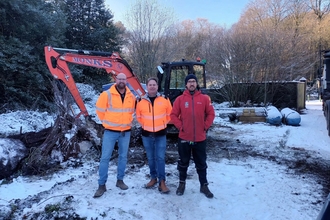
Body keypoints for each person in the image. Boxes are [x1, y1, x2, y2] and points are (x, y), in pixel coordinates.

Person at [170, 74, 215, 198]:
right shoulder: (180, 99)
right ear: (186, 84)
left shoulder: (205, 99)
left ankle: (204, 185)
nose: (191, 83)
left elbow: (211, 114)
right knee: (183, 162)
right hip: (184, 137)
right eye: (189, 81)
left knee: (201, 163)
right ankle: (182, 183)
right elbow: (173, 115)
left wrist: (205, 126)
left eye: (193, 81)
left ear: (196, 83)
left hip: (200, 138)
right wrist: (181, 126)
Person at [93, 73, 136, 198]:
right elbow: (99, 111)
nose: (122, 80)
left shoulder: (131, 96)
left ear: (126, 80)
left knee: (123, 157)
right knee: (105, 158)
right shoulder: (106, 94)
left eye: (124, 79)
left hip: (125, 132)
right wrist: (107, 122)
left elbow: (132, 111)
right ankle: (101, 185)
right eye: (119, 78)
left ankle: (120, 180)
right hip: (110, 132)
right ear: (115, 80)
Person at [136, 77, 172, 193]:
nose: (152, 86)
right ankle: (153, 178)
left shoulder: (165, 99)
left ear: (157, 86)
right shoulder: (140, 101)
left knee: (160, 158)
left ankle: (162, 181)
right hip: (147, 135)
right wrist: (147, 126)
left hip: (160, 134)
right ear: (147, 87)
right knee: (151, 158)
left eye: (154, 84)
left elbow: (169, 115)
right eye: (150, 85)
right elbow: (139, 117)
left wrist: (161, 124)